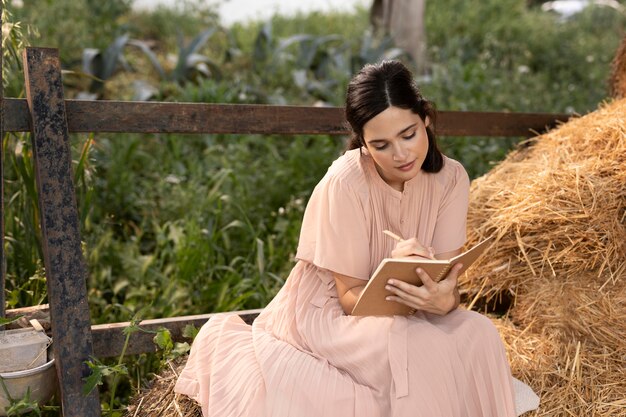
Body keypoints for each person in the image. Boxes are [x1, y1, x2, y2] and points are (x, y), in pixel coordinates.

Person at [174, 60, 535, 416]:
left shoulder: (451, 178)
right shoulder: (345, 182)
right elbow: (348, 298)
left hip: (414, 309)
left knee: (480, 332)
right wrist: (403, 290)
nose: (401, 154)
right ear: (362, 142)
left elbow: (446, 280)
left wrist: (445, 300)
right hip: (332, 315)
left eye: (408, 134)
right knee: (416, 345)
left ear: (425, 117)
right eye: (381, 144)